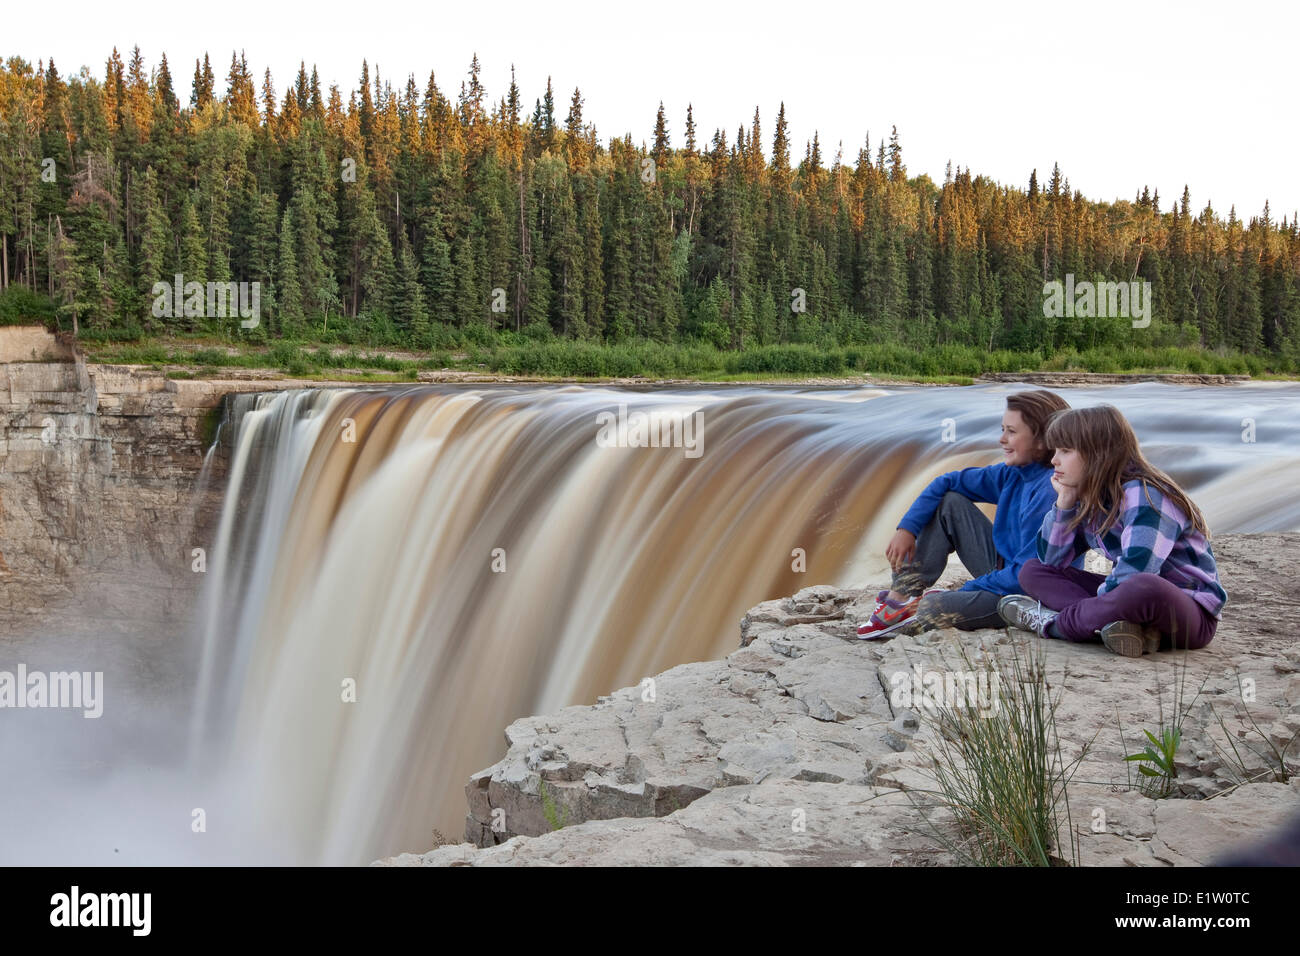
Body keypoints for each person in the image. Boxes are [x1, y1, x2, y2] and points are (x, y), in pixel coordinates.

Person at [999, 404, 1226, 657]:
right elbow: (1052, 560)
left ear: (1097, 453)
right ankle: (1120, 629)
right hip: (1130, 602)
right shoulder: (1091, 498)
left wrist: (1101, 604)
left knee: (1144, 586)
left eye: (1065, 450)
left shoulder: (1146, 495)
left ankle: (1054, 625)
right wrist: (1064, 503)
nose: (1054, 460)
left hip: (1189, 614)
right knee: (1033, 571)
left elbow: (1137, 571)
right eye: (1055, 450)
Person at [858, 390, 1074, 638]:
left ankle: (913, 607)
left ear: (1042, 440)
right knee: (949, 502)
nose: (1001, 439)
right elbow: (946, 482)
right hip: (1004, 571)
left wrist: (967, 590)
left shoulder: (1050, 490)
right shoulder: (1012, 474)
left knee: (932, 607)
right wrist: (906, 528)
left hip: (1028, 594)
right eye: (1002, 429)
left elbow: (1026, 575)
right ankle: (899, 598)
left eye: (1011, 432)